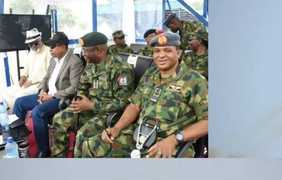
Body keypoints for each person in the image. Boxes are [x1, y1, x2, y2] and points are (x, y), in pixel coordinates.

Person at [80, 32, 208, 158]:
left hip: (169, 144)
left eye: (168, 51)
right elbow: (135, 105)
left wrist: (175, 139)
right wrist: (117, 127)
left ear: (178, 53)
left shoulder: (194, 81)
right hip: (138, 135)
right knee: (91, 146)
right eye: (157, 51)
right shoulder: (150, 74)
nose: (161, 55)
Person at [50, 32, 134, 158]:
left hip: (108, 114)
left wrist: (91, 105)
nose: (83, 54)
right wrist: (78, 101)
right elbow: (82, 87)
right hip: (88, 108)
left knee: (82, 134)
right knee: (58, 119)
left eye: (86, 50)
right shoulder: (90, 64)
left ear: (99, 51)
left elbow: (123, 103)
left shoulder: (121, 69)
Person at [12, 32, 84, 157]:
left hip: (60, 98)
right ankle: (23, 135)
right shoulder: (54, 60)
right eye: (50, 46)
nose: (50, 49)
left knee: (37, 113)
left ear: (63, 46)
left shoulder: (74, 61)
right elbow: (46, 78)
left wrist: (52, 96)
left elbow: (74, 88)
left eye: (53, 47)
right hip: (46, 95)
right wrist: (41, 91)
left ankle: (44, 150)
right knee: (19, 103)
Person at [1, 28, 51, 109]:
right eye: (30, 44)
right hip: (28, 82)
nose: (32, 46)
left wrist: (31, 82)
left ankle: (17, 118)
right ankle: (10, 116)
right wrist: (23, 77)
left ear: (39, 40)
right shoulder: (31, 52)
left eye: (34, 43)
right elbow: (26, 69)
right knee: (6, 92)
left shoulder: (48, 52)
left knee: (18, 96)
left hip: (39, 85)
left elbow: (49, 74)